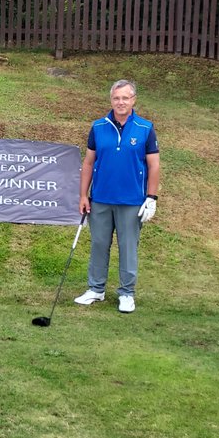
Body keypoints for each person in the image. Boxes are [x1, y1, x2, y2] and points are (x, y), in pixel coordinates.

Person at [73, 79, 161, 314]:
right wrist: (83, 195)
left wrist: (151, 197)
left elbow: (153, 165)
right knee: (99, 245)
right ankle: (96, 289)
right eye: (116, 98)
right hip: (100, 198)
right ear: (111, 100)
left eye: (125, 98)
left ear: (133, 100)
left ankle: (126, 293)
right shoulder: (98, 126)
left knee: (128, 247)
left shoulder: (145, 128)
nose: (120, 102)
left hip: (132, 201)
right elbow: (89, 162)